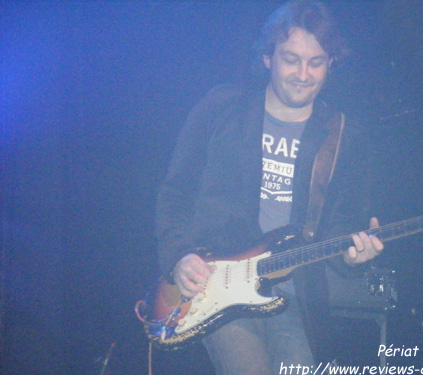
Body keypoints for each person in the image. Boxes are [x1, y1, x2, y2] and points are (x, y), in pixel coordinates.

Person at [155, 1, 384, 374]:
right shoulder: (221, 109)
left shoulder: (345, 136)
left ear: (331, 64)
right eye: (291, 59)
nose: (303, 74)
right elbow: (174, 192)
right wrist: (179, 255)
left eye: (316, 62)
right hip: (219, 284)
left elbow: (341, 225)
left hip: (293, 295)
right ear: (267, 58)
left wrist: (352, 257)